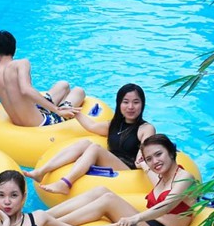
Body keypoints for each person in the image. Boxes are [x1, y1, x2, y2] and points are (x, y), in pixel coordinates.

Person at [43, 134, 197, 226]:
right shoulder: (161, 177)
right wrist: (143, 164)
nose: (155, 161)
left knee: (109, 199)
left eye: (158, 154)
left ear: (171, 152)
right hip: (149, 224)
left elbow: (167, 205)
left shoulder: (184, 178)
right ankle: (45, 216)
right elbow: (148, 170)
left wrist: (135, 218)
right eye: (149, 158)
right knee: (101, 191)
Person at [23, 83, 155, 195]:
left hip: (129, 171)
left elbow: (146, 149)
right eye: (125, 102)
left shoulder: (146, 128)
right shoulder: (114, 125)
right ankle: (41, 171)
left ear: (142, 104)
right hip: (112, 163)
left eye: (136, 102)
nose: (130, 107)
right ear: (119, 104)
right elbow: (92, 126)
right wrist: (74, 112)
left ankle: (65, 183)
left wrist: (141, 155)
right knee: (84, 143)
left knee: (95, 148)